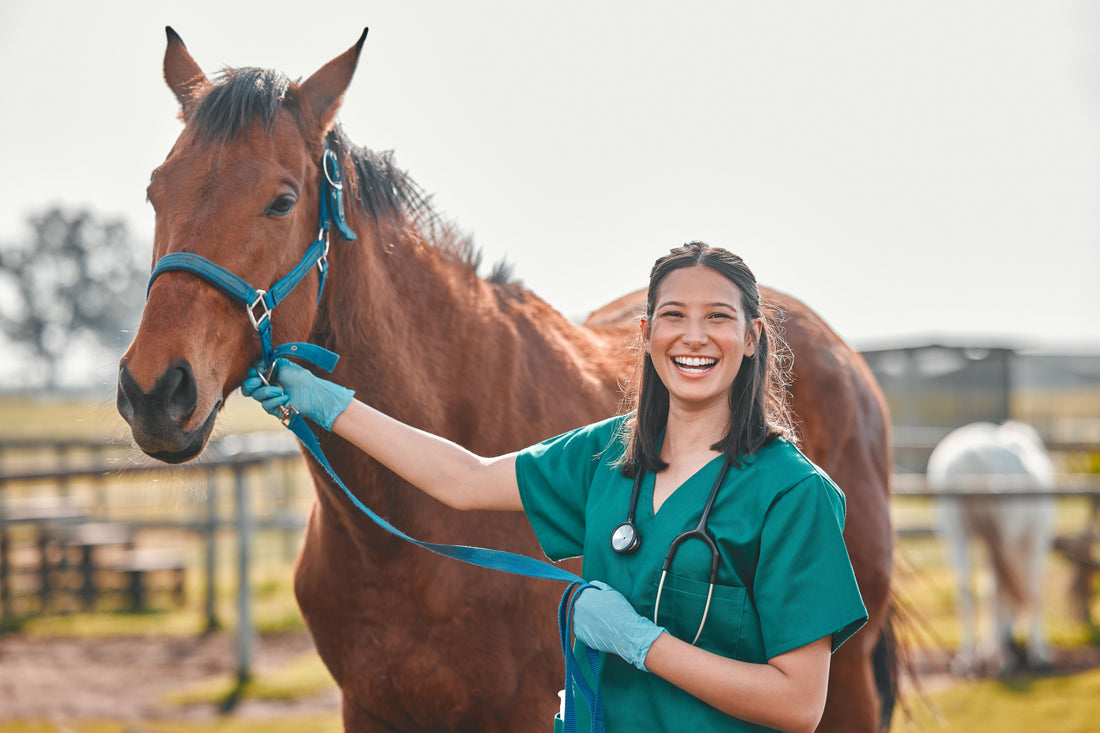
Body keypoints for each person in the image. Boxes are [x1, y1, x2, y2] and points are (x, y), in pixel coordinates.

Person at [243, 241, 867, 732]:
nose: (694, 336)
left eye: (718, 318)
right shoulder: (606, 454)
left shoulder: (794, 495)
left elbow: (798, 704)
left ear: (752, 337)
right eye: (674, 316)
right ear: (647, 335)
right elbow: (464, 478)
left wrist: (642, 644)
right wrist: (329, 405)